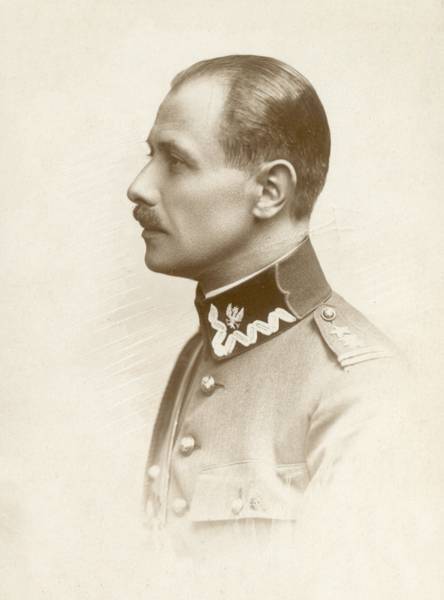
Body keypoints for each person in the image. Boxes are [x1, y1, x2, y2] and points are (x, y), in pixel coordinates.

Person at [126, 55, 421, 590]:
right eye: (151, 156)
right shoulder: (198, 354)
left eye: (177, 161)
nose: (140, 187)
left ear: (269, 191)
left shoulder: (361, 387)